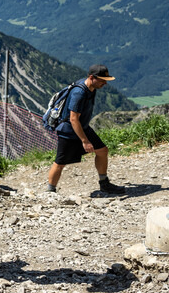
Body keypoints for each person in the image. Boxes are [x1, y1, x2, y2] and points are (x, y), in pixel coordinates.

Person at [45, 65, 126, 195]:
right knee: (60, 162)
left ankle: (104, 183)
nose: (105, 83)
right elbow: (73, 119)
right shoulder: (79, 93)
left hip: (83, 127)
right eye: (102, 80)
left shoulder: (91, 87)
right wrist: (85, 141)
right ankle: (50, 191)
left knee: (102, 151)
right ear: (91, 77)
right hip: (69, 131)